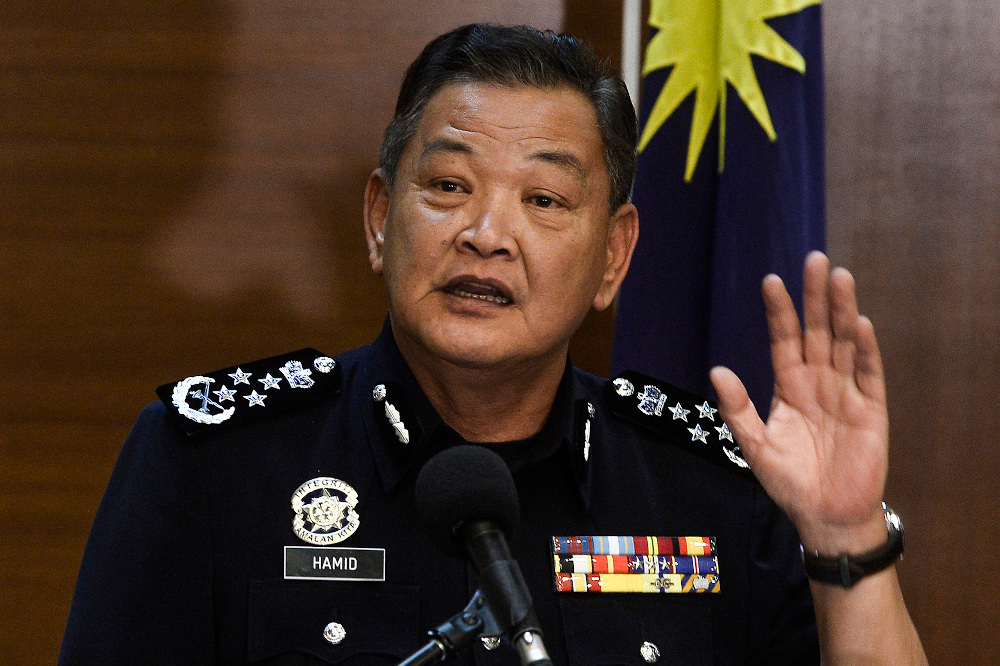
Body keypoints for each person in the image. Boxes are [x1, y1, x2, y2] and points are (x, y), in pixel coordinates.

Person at [60, 24, 927, 665]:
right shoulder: (213, 463)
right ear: (377, 219)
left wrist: (847, 536)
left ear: (614, 257)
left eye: (545, 201)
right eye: (447, 185)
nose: (486, 233)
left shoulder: (706, 490)